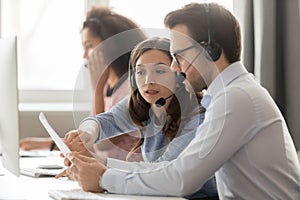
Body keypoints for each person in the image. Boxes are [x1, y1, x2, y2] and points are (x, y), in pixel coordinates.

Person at [63, 3, 300, 199]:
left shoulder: (236, 99)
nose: (175, 67)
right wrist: (101, 168)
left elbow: (181, 179)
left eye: (179, 56)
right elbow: (176, 172)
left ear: (210, 50)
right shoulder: (228, 95)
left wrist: (103, 177)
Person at [60, 37, 218, 199]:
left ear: (179, 76)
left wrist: (101, 167)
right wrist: (86, 134)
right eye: (141, 72)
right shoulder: (142, 104)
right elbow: (104, 121)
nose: (148, 81)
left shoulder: (197, 119)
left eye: (160, 71)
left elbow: (160, 172)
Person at [19, 6, 146, 161]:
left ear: (111, 45)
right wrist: (49, 144)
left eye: (89, 46)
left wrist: (97, 89)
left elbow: (102, 144)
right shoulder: (109, 85)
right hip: (104, 169)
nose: (85, 55)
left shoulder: (132, 87)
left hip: (124, 176)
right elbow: (89, 138)